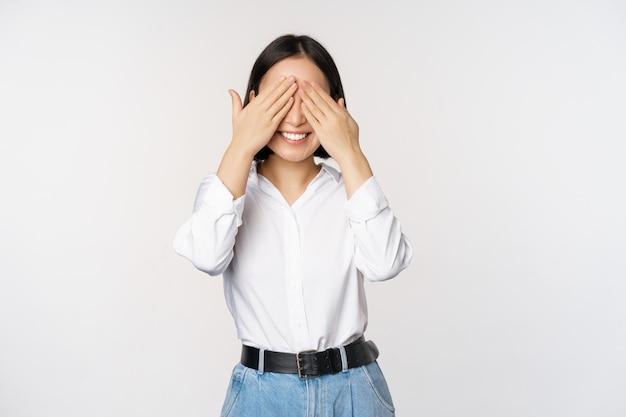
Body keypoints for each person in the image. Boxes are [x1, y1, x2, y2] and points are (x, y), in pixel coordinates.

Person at [173, 34, 413, 417]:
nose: (297, 117)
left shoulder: (350, 192)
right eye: (280, 100)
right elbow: (206, 256)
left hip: (353, 391)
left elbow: (386, 263)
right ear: (254, 104)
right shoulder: (228, 191)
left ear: (337, 107)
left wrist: (351, 151)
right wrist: (240, 145)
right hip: (261, 395)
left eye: (311, 101)